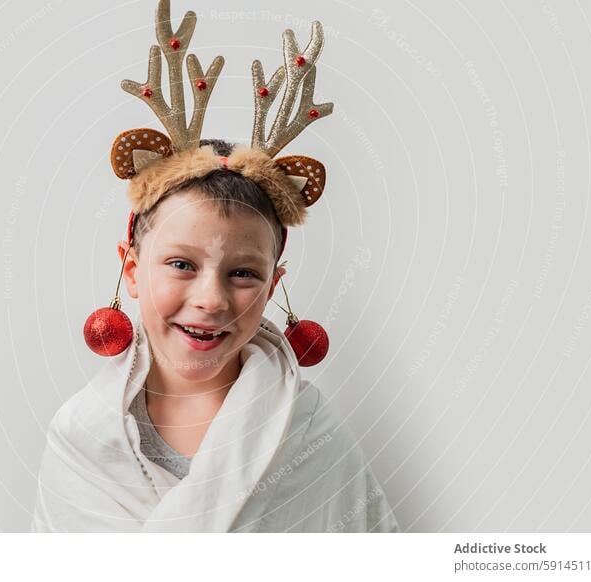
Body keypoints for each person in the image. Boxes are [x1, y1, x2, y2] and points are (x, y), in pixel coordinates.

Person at [31, 0, 399, 533]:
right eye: (181, 263)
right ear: (132, 270)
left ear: (275, 284)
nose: (211, 299)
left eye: (243, 273)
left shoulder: (309, 432)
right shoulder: (82, 437)